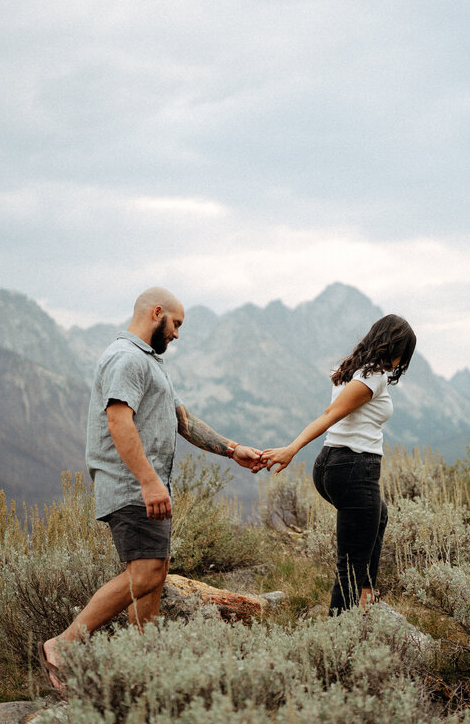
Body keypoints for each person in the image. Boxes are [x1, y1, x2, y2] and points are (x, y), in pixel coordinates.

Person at [42, 287, 265, 691]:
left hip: (146, 487)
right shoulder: (126, 358)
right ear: (156, 313)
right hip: (133, 486)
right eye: (176, 324)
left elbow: (182, 419)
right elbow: (118, 422)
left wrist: (233, 450)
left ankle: (145, 668)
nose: (178, 334)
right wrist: (149, 482)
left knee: (154, 576)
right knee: (145, 573)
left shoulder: (149, 362)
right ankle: (65, 643)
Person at [262, 314, 416, 614]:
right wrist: (291, 449)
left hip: (333, 466)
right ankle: (338, 641)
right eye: (403, 355)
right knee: (350, 565)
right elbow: (330, 415)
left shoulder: (353, 370)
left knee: (378, 517)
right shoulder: (373, 378)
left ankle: (367, 590)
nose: (401, 363)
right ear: (396, 349)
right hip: (355, 469)